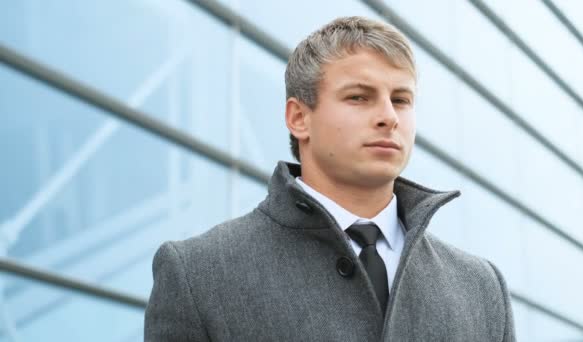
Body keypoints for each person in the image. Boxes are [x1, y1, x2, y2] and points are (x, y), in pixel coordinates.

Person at [144, 16, 515, 341]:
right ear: (298, 118)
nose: (389, 117)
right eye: (359, 97)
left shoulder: (481, 288)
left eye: (401, 99)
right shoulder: (198, 274)